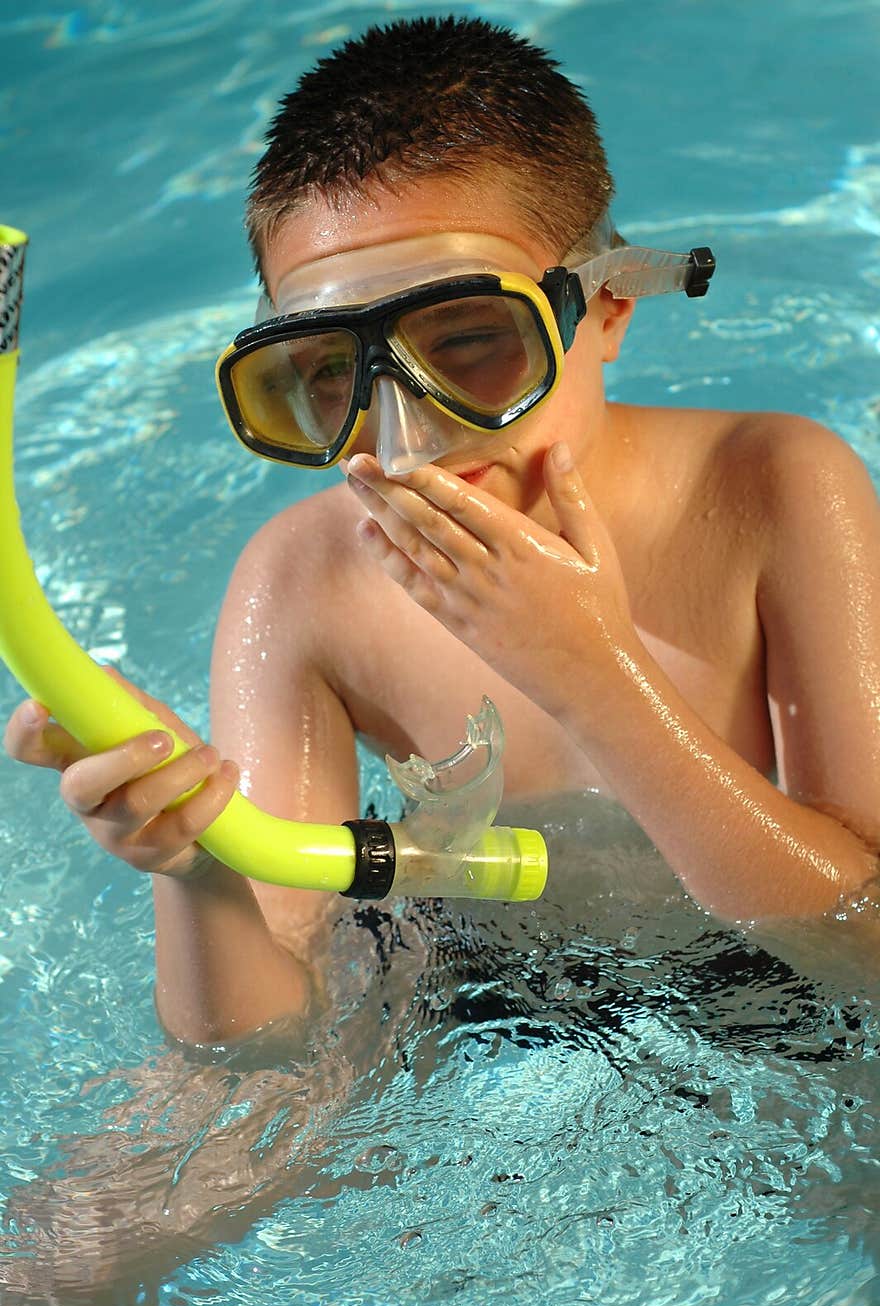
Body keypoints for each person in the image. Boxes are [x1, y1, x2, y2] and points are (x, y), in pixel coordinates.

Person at [5, 16, 880, 1052]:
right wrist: (198, 866)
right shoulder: (305, 581)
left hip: (783, 983)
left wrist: (591, 676)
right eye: (332, 376)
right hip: (470, 971)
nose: (406, 444)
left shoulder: (770, 489)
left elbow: (859, 947)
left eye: (469, 345)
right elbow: (264, 1054)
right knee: (117, 1210)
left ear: (605, 309)